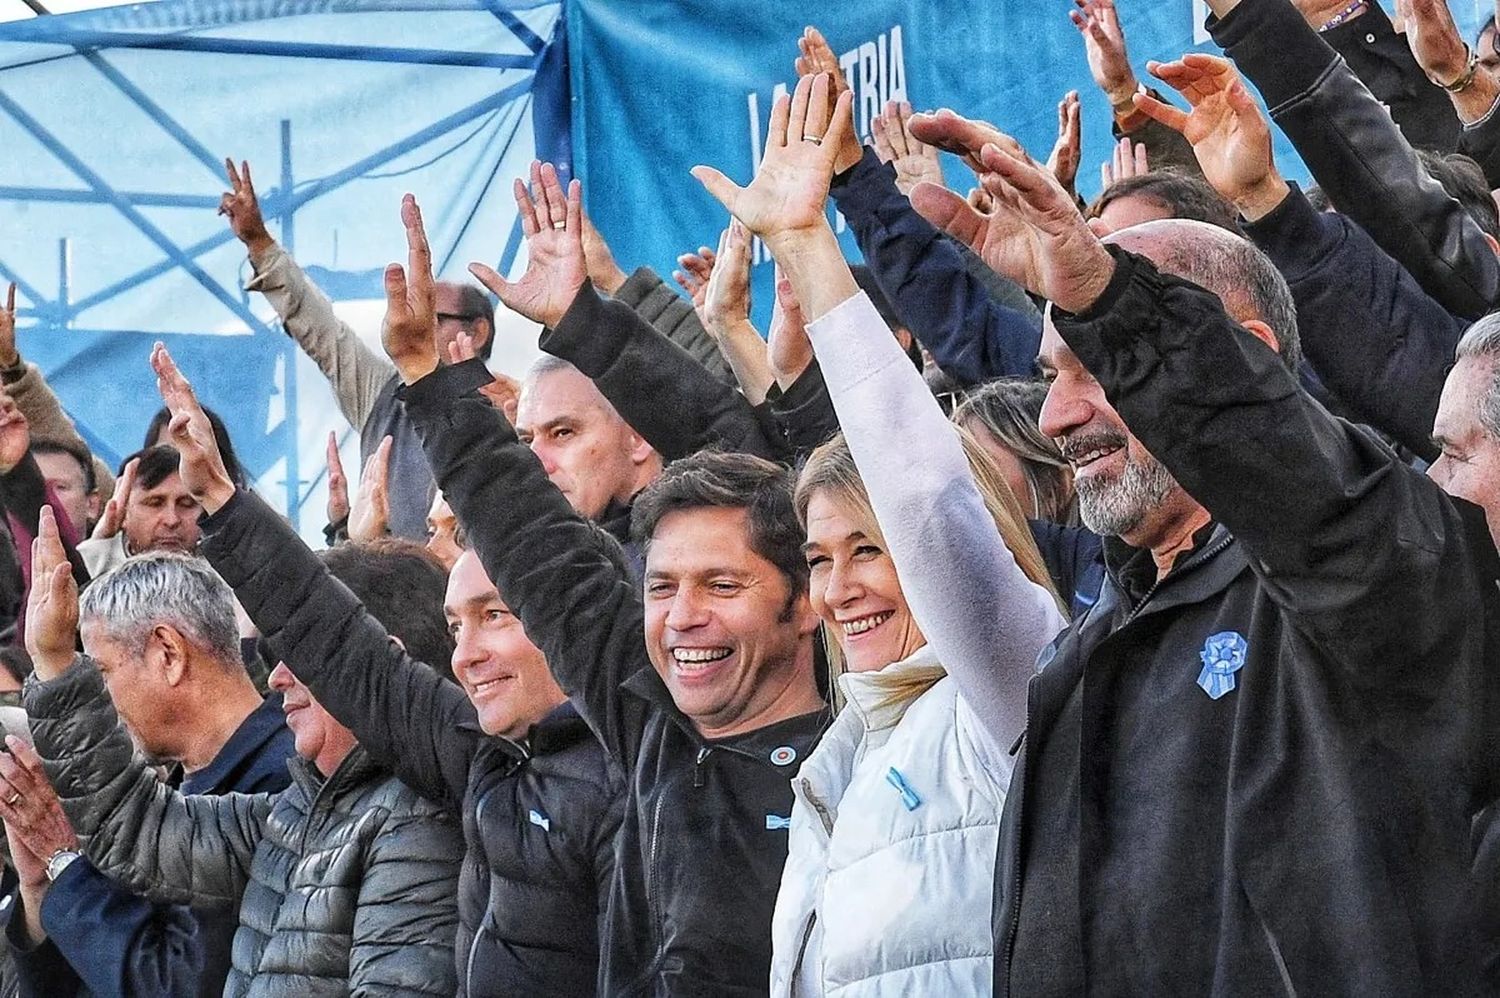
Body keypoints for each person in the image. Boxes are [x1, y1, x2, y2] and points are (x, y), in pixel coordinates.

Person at [907, 105, 1500, 994]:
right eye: (1049, 377)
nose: (1056, 418)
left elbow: (1314, 498)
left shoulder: (1369, 584)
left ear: (1242, 358)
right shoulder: (1079, 655)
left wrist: (1112, 304)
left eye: (1096, 370)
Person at [384, 173, 829, 993]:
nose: (683, 619)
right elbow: (537, 544)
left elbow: (787, 474)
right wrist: (430, 379)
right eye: (660, 589)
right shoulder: (649, 718)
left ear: (807, 601)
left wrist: (592, 324)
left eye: (722, 587)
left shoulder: (861, 747)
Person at [150, 343, 622, 996]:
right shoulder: (487, 757)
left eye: (496, 616)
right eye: (457, 625)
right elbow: (341, 646)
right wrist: (222, 504)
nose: (468, 653)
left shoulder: (642, 764)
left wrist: (433, 381)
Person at [18, 506, 464, 998]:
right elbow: (140, 831)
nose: (276, 679)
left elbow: (176, 985)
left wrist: (63, 864)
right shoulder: (301, 805)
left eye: (300, 657)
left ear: (373, 666)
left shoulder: (418, 826)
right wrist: (55, 663)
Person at [3, 537, 294, 998]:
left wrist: (67, 865)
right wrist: (40, 884)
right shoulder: (166, 794)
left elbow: (175, 985)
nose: (100, 702)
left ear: (168, 653)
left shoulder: (280, 784)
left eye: (100, 674)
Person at [219, 158, 495, 540]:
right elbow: (321, 329)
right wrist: (259, 242)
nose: (412, 323)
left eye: (432, 316)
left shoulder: (519, 411)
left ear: (477, 332)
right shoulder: (383, 395)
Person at [77, 446, 201, 578]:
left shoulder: (222, 575)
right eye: (154, 503)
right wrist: (97, 550)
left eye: (186, 504)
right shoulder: (93, 573)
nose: (172, 520)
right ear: (124, 512)